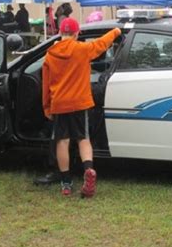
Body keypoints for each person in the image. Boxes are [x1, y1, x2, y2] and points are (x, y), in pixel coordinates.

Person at [41, 17, 121, 197]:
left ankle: (66, 182)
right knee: (83, 139)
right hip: (80, 102)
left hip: (59, 104)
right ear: (77, 33)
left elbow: (45, 85)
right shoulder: (83, 50)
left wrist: (47, 107)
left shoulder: (50, 54)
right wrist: (115, 32)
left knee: (62, 141)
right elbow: (101, 44)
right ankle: (89, 169)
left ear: (60, 33)